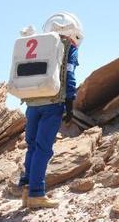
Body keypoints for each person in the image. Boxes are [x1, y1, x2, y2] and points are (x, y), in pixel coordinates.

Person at [18, 12, 83, 209]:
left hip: (32, 104)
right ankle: (37, 193)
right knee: (43, 148)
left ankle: (26, 190)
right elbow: (69, 75)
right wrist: (70, 102)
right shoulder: (68, 47)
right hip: (52, 103)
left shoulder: (38, 45)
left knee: (32, 146)